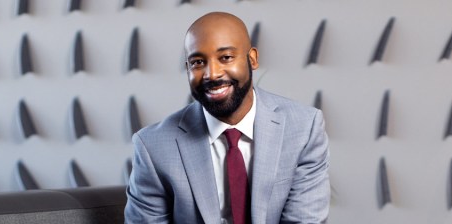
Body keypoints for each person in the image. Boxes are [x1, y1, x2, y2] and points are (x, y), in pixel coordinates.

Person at [124, 12, 331, 224]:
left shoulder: (304, 128)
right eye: (197, 62)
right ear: (187, 69)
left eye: (226, 57)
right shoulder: (153, 146)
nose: (212, 74)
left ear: (252, 59)